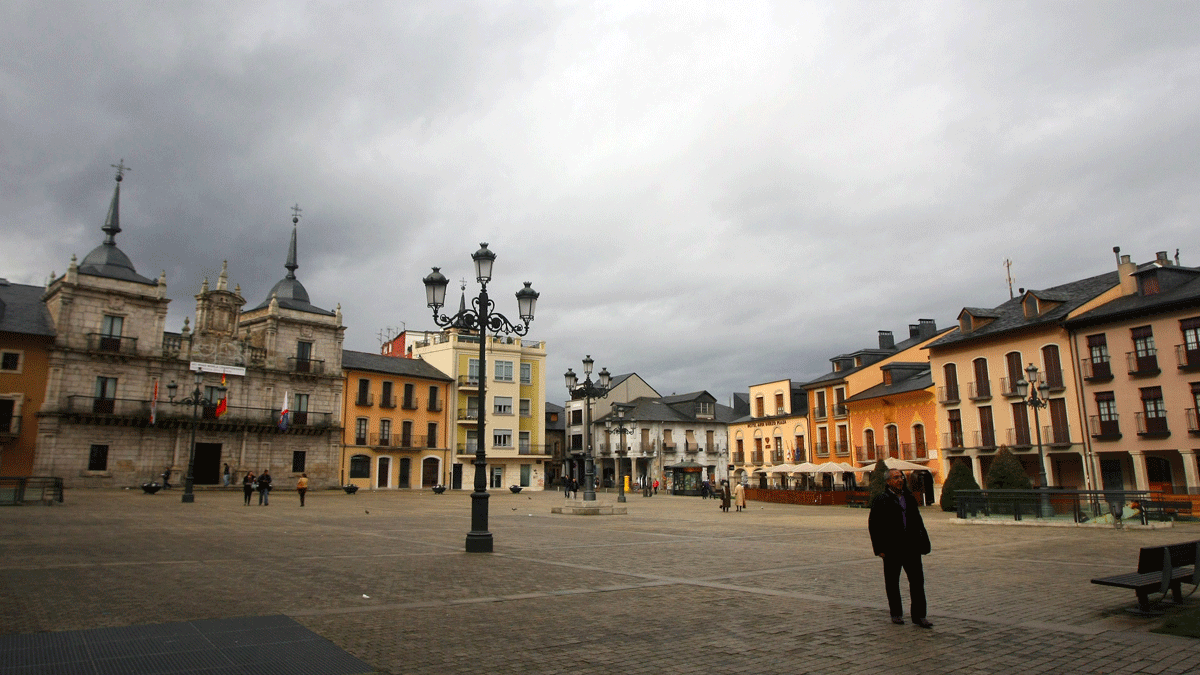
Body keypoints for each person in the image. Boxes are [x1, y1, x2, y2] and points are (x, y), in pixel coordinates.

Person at [868, 469, 933, 628]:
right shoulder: (881, 499)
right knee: (892, 583)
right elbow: (874, 525)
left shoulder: (909, 498)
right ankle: (896, 613)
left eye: (901, 477)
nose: (900, 480)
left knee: (917, 582)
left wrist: (923, 542)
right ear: (888, 481)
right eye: (896, 478)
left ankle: (919, 616)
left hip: (911, 547)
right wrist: (879, 548)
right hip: (892, 548)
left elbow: (918, 521)